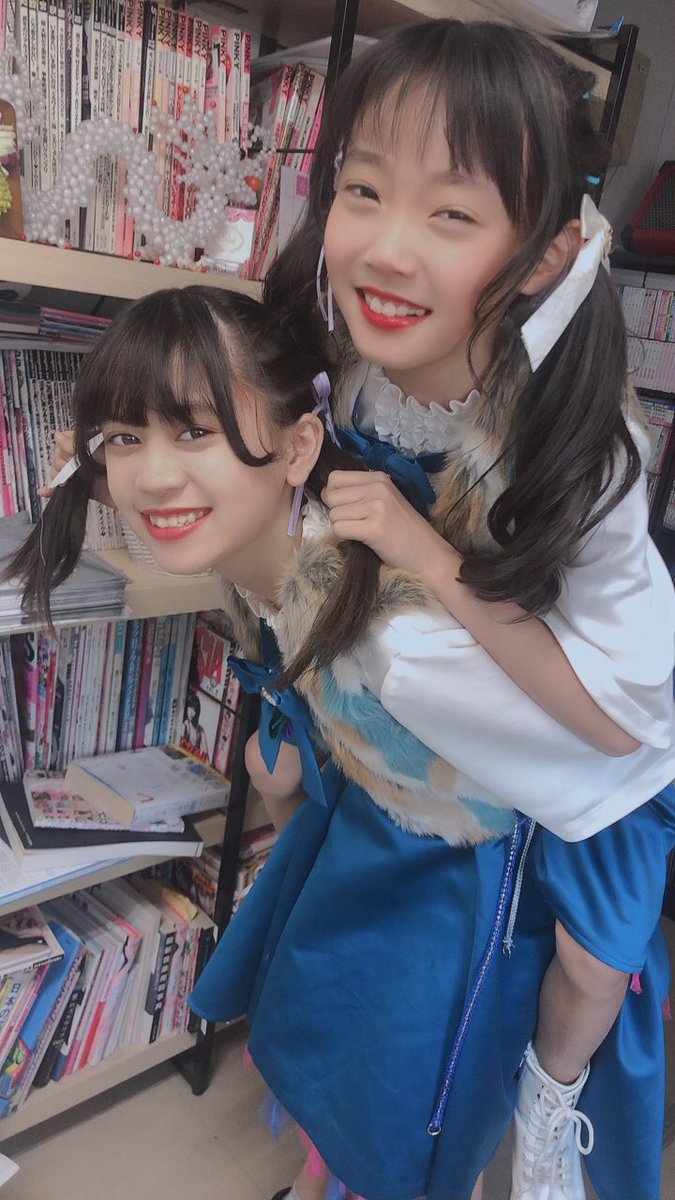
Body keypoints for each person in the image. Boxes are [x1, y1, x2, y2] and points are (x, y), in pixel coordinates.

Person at [11, 284, 673, 1200]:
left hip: (479, 855)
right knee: (327, 1045)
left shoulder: (402, 650)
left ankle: (541, 1106)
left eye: (195, 431)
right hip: (387, 816)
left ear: (299, 447)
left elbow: (591, 765)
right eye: (124, 437)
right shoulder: (273, 535)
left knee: (397, 1096)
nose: (153, 477)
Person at [251, 18, 675, 1200]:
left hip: (585, 770)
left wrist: (430, 558)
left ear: (544, 255)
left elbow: (615, 723)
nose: (386, 250)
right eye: (363, 188)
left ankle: (549, 1107)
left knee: (576, 976)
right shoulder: (361, 374)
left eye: (451, 212)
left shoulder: (583, 457)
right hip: (426, 752)